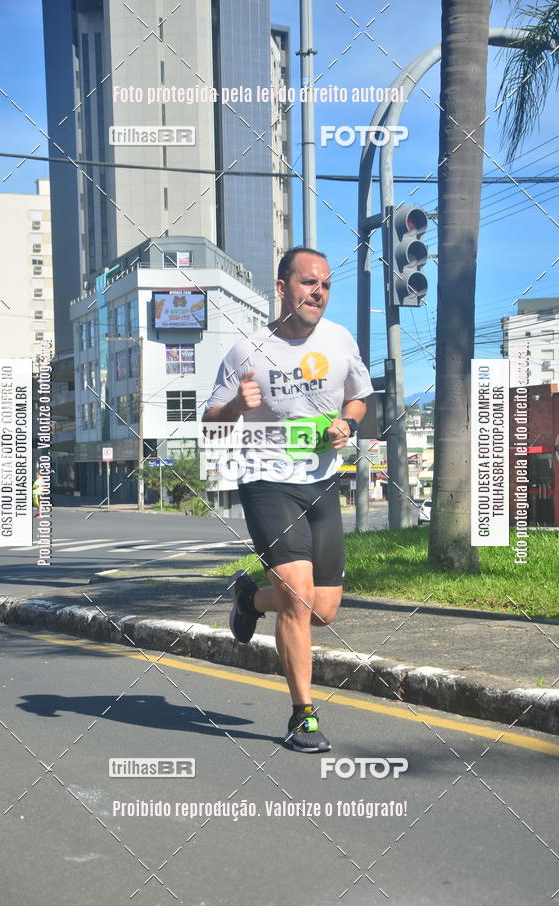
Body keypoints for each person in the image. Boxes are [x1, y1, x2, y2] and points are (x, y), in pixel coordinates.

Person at [203, 247, 374, 752]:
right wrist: (237, 404)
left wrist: (349, 422)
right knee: (298, 596)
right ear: (282, 288)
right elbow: (211, 424)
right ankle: (303, 716)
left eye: (325, 284)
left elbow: (359, 394)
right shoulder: (246, 352)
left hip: (320, 480)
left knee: (323, 611)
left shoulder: (340, 339)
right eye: (307, 283)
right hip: (264, 478)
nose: (317, 292)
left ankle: (250, 600)